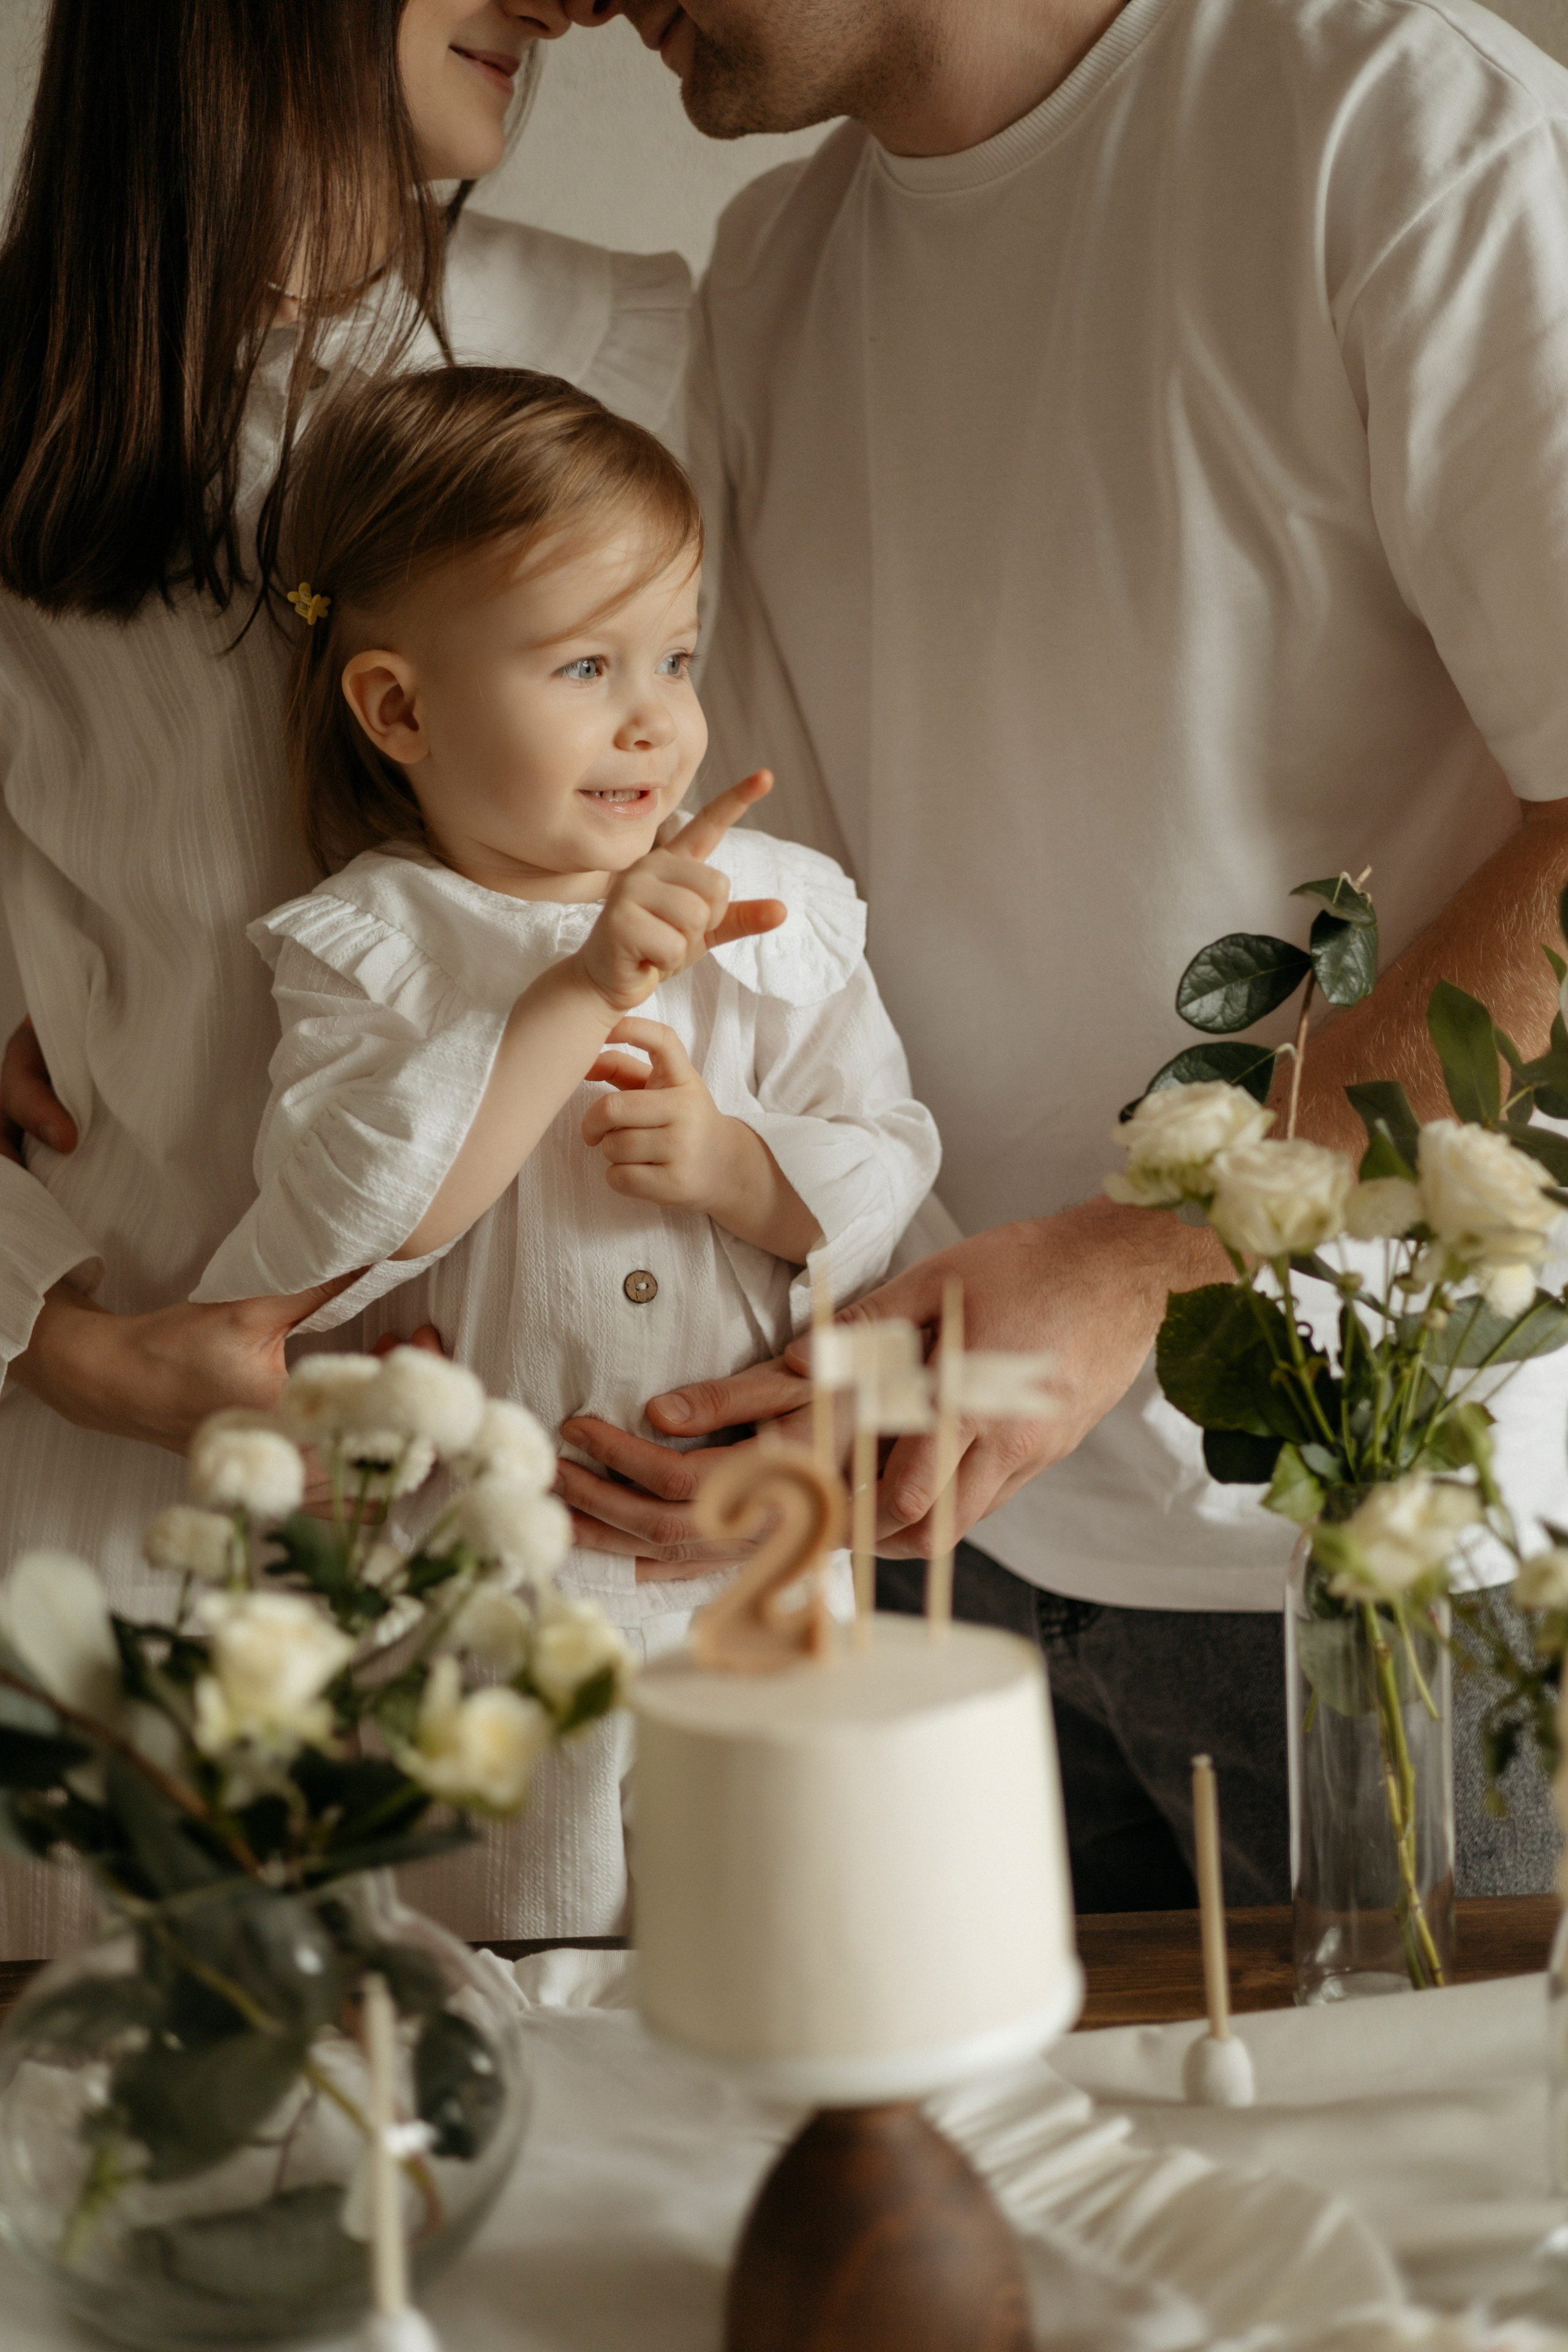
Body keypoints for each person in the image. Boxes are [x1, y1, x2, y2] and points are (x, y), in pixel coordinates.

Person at [547, 0, 1568, 1907]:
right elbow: (772, 921)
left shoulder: (1401, 136)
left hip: (1398, 1556)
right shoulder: (772, 272)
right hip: (946, 1560)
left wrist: (1139, 1264)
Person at [0, 0, 693, 1958]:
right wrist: (82, 1353)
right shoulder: (34, 424)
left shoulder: (623, 338)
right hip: (134, 1533)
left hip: (577, 1526)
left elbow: (773, 906)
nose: (564, 0)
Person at [191, 363, 938, 1932]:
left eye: (675, 655)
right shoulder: (373, 944)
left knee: (781, 1950)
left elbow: (889, 1149)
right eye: (586, 665)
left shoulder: (777, 905)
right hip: (480, 1608)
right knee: (511, 1958)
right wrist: (574, 994)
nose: (653, 716)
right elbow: (344, 1230)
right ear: (400, 709)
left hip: (752, 1579)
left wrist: (743, 1171)